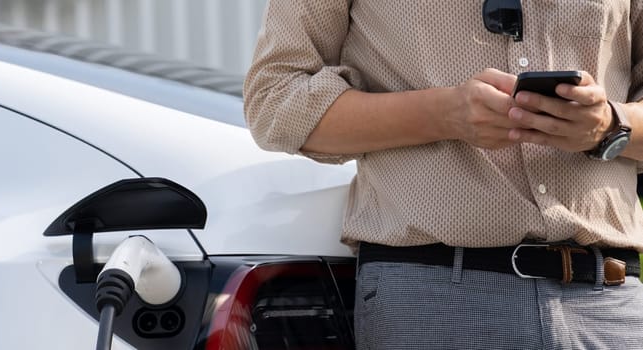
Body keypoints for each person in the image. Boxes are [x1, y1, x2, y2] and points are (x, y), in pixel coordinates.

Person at [244, 1, 643, 349]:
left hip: (611, 305)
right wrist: (444, 113)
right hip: (432, 300)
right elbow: (275, 101)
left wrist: (611, 124)